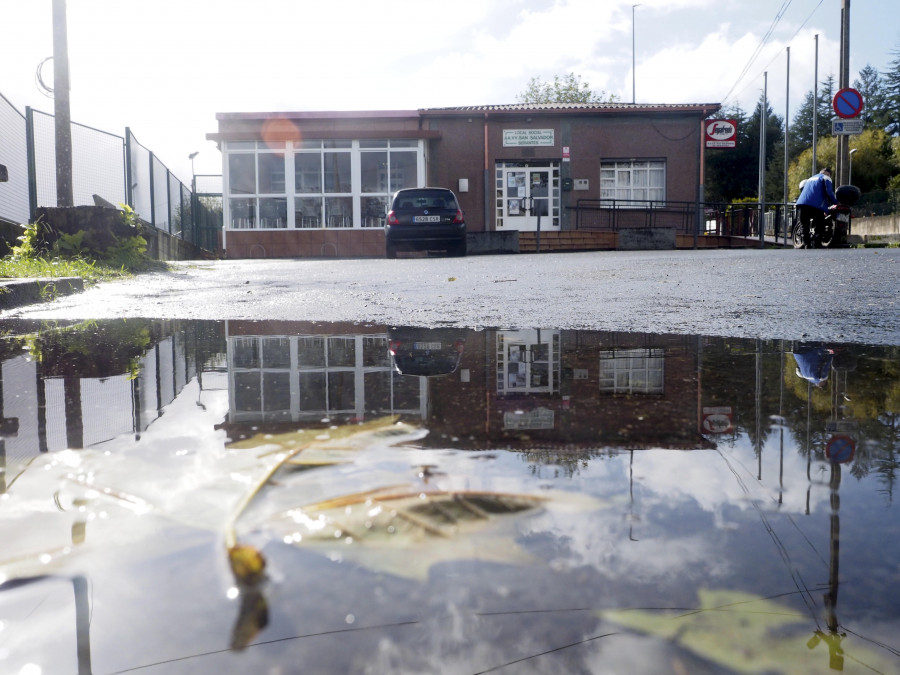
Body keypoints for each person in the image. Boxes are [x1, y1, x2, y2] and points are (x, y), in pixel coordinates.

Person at [795, 167, 837, 248]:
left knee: (805, 225)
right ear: (828, 174)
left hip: (801, 203)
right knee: (820, 224)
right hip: (815, 205)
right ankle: (816, 243)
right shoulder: (826, 178)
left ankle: (807, 244)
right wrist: (835, 202)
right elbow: (829, 192)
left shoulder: (810, 178)